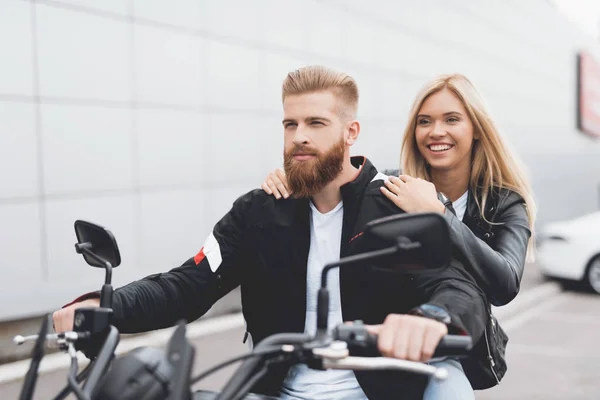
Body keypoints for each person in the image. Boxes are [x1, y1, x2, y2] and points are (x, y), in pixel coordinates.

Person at [53, 66, 487, 400]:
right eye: (290, 124)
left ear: (351, 132)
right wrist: (104, 305)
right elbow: (188, 283)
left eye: (316, 123)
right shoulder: (258, 211)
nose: (299, 137)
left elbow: (457, 287)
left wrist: (430, 320)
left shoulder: (397, 201)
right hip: (273, 390)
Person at [260, 73, 536, 394]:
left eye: (451, 120)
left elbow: (504, 284)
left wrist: (439, 214)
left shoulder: (504, 202)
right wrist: (295, 177)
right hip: (390, 344)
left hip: (451, 342)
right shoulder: (393, 186)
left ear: (476, 129)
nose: (436, 132)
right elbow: (337, 190)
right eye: (424, 121)